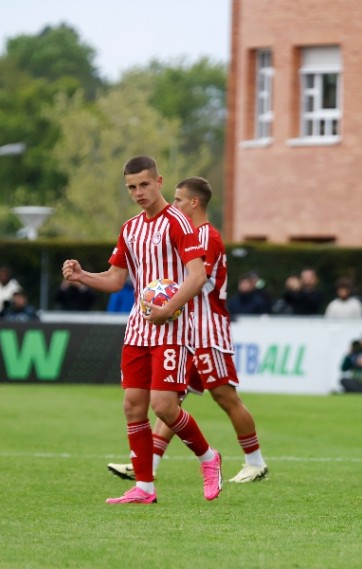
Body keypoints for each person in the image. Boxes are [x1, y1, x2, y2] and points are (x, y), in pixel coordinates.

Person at [62, 156, 222, 504]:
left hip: (173, 328)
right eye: (132, 187)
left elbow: (197, 275)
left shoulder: (179, 223)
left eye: (144, 185)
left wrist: (169, 307)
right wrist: (83, 276)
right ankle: (144, 488)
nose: (138, 192)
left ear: (159, 181)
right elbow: (116, 279)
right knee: (133, 407)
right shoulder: (130, 228)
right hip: (138, 329)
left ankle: (209, 459)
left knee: (164, 406)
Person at [106, 176, 269, 485]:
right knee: (171, 402)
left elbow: (194, 279)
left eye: (180, 199)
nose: (175, 203)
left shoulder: (204, 236)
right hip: (185, 329)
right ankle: (147, 464)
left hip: (207, 329)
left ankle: (255, 461)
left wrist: (161, 294)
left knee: (224, 395)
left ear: (194, 202)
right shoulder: (183, 232)